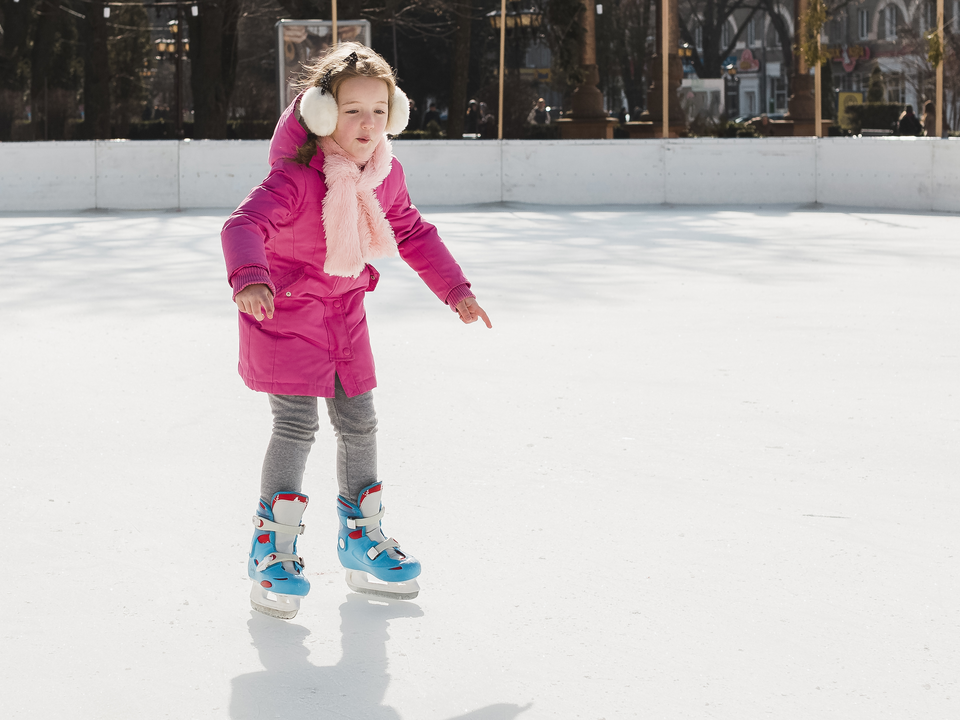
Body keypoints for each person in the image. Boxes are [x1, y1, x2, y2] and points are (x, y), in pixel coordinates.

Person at [221, 43, 492, 619]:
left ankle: (361, 539)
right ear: (321, 114)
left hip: (344, 315)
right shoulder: (294, 179)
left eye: (378, 109)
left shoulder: (382, 176)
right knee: (295, 425)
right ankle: (272, 548)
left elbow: (412, 232)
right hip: (285, 314)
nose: (367, 123)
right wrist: (250, 278)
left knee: (360, 421)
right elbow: (242, 224)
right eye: (351, 111)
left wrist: (456, 289)